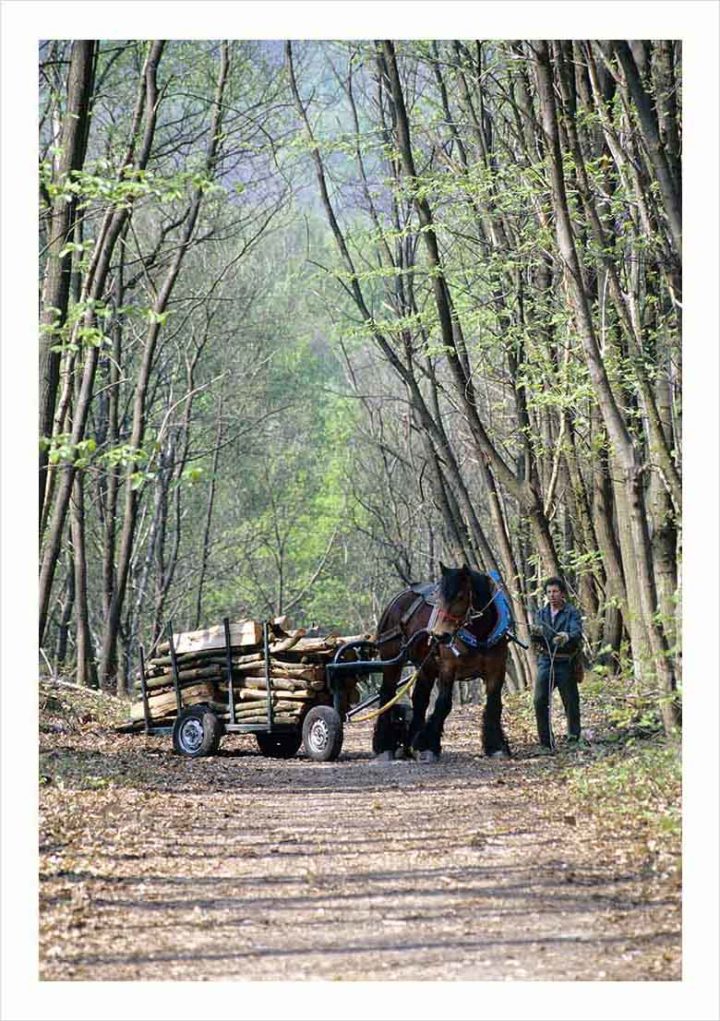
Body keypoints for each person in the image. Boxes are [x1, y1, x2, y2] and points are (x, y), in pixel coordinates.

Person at [530, 576, 584, 752]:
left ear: (562, 594)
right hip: (546, 661)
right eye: (549, 592)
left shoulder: (572, 612)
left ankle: (574, 737)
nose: (552, 595)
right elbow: (537, 639)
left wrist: (566, 636)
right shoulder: (541, 613)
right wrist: (536, 633)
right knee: (539, 700)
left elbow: (576, 632)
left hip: (565, 661)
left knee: (570, 701)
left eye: (555, 591)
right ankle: (546, 742)